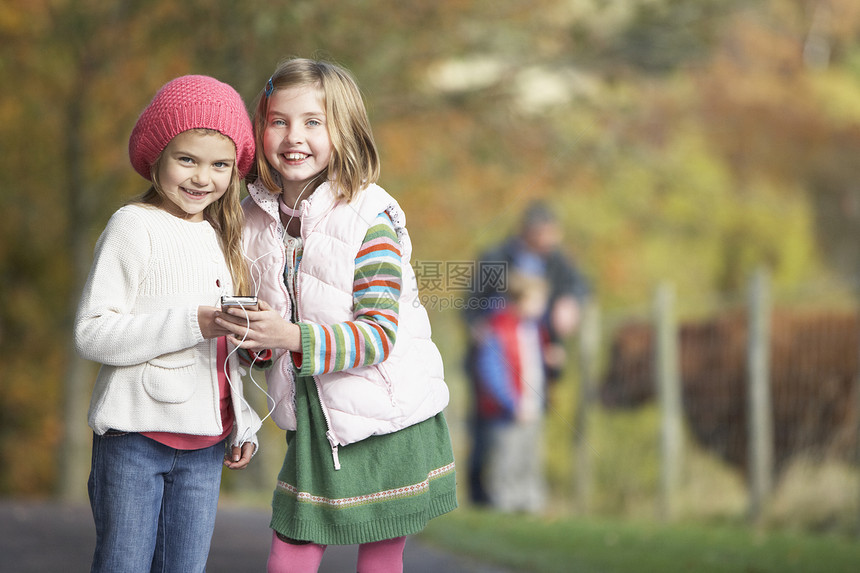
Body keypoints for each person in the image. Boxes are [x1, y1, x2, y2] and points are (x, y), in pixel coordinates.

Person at [214, 57, 457, 573]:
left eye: (312, 122)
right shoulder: (252, 217)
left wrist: (290, 334)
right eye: (278, 120)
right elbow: (267, 339)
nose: (292, 136)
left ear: (342, 131)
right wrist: (255, 338)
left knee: (378, 559)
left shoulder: (370, 219)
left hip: (384, 418)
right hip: (311, 419)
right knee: (289, 556)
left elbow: (377, 336)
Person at [74, 75, 263, 573]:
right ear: (156, 157)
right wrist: (193, 322)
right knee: (123, 565)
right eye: (188, 160)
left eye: (220, 165)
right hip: (135, 439)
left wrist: (241, 420)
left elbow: (225, 354)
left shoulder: (226, 236)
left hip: (206, 447)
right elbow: (92, 331)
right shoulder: (133, 225)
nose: (204, 178)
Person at [463, 200, 590, 506]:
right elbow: (472, 306)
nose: (552, 241)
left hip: (535, 358)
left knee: (529, 440)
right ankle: (485, 500)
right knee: (489, 440)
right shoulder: (496, 259)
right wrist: (483, 331)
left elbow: (580, 285)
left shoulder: (557, 262)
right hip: (498, 362)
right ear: (529, 233)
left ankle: (526, 501)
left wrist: (571, 302)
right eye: (546, 234)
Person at [471, 271, 551, 513]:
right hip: (507, 413)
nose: (542, 306)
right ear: (520, 300)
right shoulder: (499, 328)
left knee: (530, 460)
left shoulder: (533, 329)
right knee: (507, 462)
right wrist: (511, 403)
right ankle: (504, 507)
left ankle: (531, 507)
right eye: (537, 300)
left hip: (532, 408)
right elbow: (491, 371)